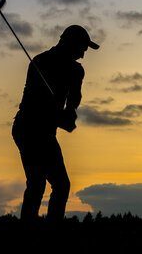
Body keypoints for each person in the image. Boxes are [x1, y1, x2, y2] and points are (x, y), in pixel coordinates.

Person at [12, 25, 99, 222]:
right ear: (70, 43)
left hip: (45, 131)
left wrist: (70, 113)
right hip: (28, 128)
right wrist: (59, 118)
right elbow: (34, 106)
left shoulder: (77, 70)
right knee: (41, 184)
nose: (83, 55)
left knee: (55, 184)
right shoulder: (40, 62)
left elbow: (74, 97)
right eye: (82, 48)